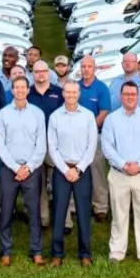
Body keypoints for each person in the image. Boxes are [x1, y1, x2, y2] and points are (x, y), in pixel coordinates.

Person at [100, 81, 140, 264]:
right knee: (119, 214)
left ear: (138, 96)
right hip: (119, 174)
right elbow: (107, 145)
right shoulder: (111, 119)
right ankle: (117, 251)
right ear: (121, 96)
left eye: (133, 94)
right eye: (126, 94)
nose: (130, 97)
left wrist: (139, 164)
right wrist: (124, 164)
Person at [0, 76, 47, 266]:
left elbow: (41, 144)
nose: (20, 90)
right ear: (12, 90)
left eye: (23, 87)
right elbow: (0, 144)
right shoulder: (3, 115)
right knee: (6, 211)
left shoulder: (38, 114)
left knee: (34, 212)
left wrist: (28, 167)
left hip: (31, 169)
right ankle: (5, 250)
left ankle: (36, 250)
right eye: (17, 87)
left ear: (28, 90)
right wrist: (16, 167)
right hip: (10, 169)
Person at [47, 80, 98, 267]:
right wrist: (65, 169)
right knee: (59, 212)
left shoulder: (88, 116)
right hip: (61, 170)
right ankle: (57, 254)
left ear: (78, 94)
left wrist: (78, 169)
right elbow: (52, 147)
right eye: (67, 92)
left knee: (84, 213)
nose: (70, 95)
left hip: (81, 170)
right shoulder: (55, 117)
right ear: (63, 94)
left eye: (74, 92)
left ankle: (85, 253)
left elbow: (91, 145)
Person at [76, 56, 113, 220]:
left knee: (97, 171)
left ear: (94, 68)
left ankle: (101, 207)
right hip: (75, 137)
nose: (86, 70)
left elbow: (104, 111)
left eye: (89, 67)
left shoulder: (101, 88)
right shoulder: (75, 87)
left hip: (95, 135)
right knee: (76, 170)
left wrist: (90, 129)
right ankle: (75, 205)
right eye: (83, 67)